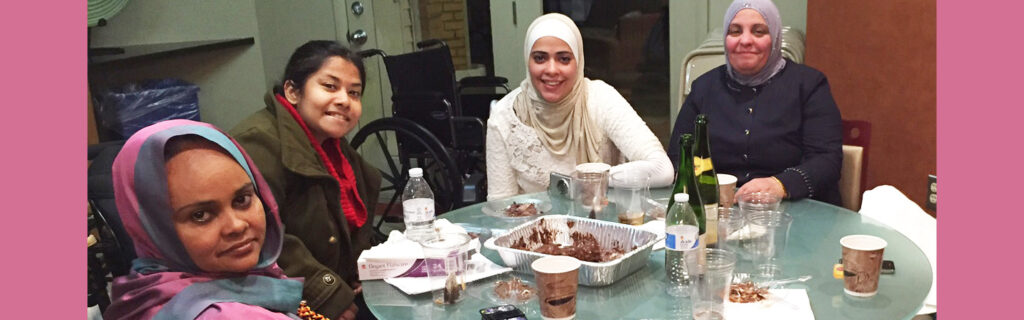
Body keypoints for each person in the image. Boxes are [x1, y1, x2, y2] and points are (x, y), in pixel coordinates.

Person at [230, 40, 381, 319]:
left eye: (354, 92)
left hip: (339, 283)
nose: (344, 100)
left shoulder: (333, 148)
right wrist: (328, 293)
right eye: (330, 86)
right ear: (292, 92)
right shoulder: (258, 144)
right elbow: (262, 237)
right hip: (282, 297)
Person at [103, 120, 302, 319]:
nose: (237, 225)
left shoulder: (145, 291)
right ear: (154, 229)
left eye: (242, 200)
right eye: (200, 215)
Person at [668, 0, 843, 206]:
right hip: (720, 211)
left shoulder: (809, 85)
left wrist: (780, 185)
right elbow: (678, 158)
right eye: (735, 31)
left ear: (775, 38)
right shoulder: (704, 88)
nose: (745, 40)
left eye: (759, 32)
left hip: (792, 210)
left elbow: (827, 160)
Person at [486, 13, 673, 200]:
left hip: (601, 223)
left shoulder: (601, 99)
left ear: (579, 61)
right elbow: (500, 208)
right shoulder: (505, 115)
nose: (551, 70)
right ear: (528, 61)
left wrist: (593, 179)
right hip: (534, 228)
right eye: (540, 58)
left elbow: (662, 169)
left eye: (564, 59)